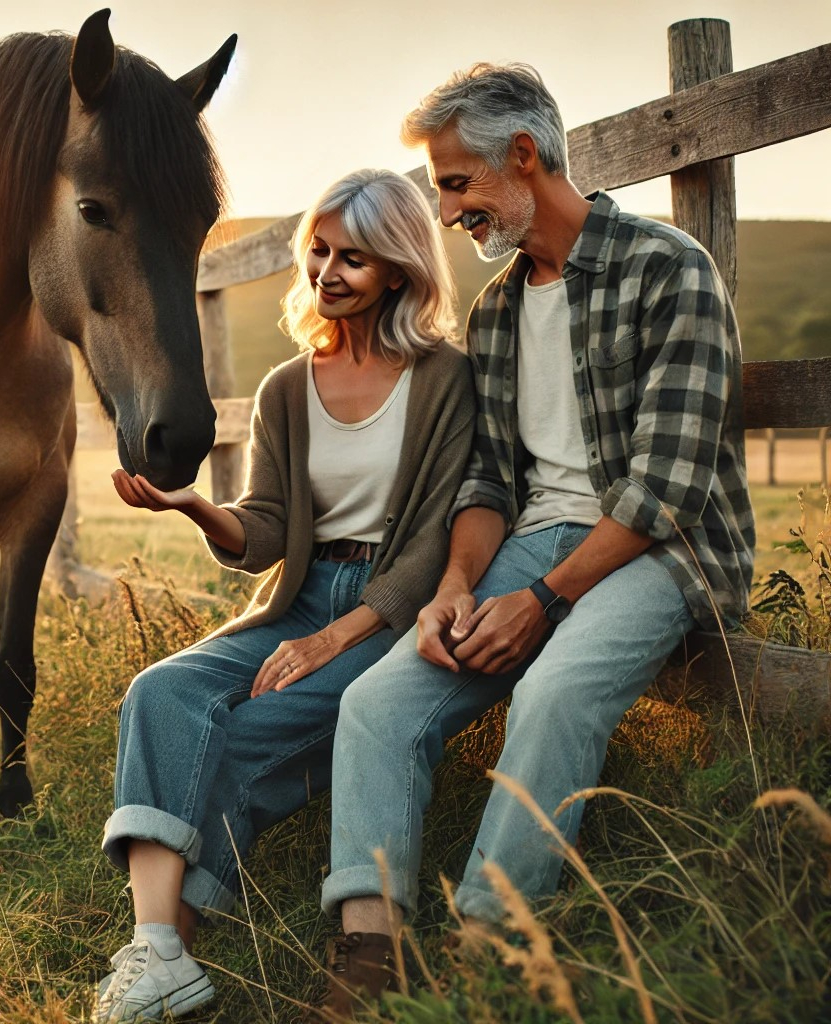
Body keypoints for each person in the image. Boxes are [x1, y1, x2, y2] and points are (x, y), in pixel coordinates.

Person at [316, 63, 755, 1016]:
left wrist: (545, 599)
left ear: (524, 155)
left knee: (554, 691)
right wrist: (457, 585)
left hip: (661, 548)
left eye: (457, 182)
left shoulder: (669, 267)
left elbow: (666, 487)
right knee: (376, 704)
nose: (446, 210)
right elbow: (486, 481)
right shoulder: (500, 309)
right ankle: (369, 955)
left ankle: (487, 953)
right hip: (533, 539)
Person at [93, 168, 476, 1023]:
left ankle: (171, 950)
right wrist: (197, 508)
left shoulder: (446, 379)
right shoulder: (288, 388)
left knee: (245, 732)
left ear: (402, 268)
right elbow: (265, 531)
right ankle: (156, 951)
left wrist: (334, 641)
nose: (326, 271)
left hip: (387, 607)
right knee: (163, 692)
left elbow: (436, 540)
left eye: (353, 258)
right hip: (297, 597)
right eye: (318, 250)